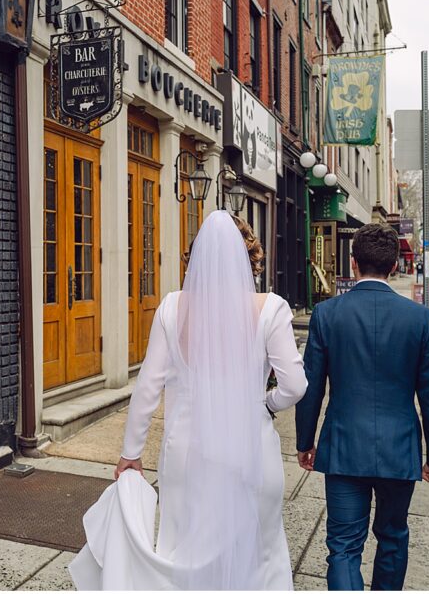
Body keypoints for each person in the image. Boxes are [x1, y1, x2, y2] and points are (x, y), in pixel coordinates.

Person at [70, 211, 307, 590]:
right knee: (260, 557)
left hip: (186, 453)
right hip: (249, 449)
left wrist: (131, 452)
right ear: (250, 258)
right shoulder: (272, 309)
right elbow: (295, 386)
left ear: (195, 261)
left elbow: (148, 387)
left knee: (182, 550)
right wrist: (267, 404)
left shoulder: (172, 307)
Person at [296, 223, 429, 591]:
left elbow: (311, 385)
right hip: (399, 449)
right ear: (395, 266)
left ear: (353, 263)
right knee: (393, 536)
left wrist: (305, 441)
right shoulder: (421, 319)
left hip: (345, 446)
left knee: (343, 547)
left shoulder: (327, 314)